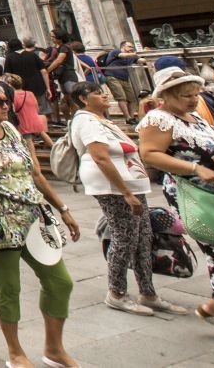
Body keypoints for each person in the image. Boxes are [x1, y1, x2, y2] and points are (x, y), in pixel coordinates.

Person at [0, 78, 80, 368]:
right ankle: (15, 352)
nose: (7, 105)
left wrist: (63, 208)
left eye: (7, 100)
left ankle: (54, 348)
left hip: (32, 215)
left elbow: (34, 173)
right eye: (0, 101)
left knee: (60, 282)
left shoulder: (10, 129)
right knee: (8, 287)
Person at [67, 82, 183, 316]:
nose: (104, 96)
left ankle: (148, 292)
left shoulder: (101, 120)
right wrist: (126, 193)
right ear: (82, 99)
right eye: (98, 94)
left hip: (130, 183)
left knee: (143, 236)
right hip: (114, 187)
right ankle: (116, 292)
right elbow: (100, 157)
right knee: (125, 237)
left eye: (104, 92)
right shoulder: (87, 122)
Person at [137, 62, 214, 335]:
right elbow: (150, 154)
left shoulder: (194, 118)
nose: (193, 100)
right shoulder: (158, 119)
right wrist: (195, 168)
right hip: (194, 192)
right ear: (166, 96)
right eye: (186, 95)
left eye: (195, 94)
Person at [99, 41, 142, 124]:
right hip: (112, 76)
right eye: (129, 46)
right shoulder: (116, 51)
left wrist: (144, 56)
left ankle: (132, 117)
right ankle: (128, 118)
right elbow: (122, 55)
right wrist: (135, 53)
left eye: (132, 47)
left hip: (125, 78)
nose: (131, 48)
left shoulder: (132, 56)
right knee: (121, 97)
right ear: (123, 46)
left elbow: (140, 60)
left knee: (132, 98)